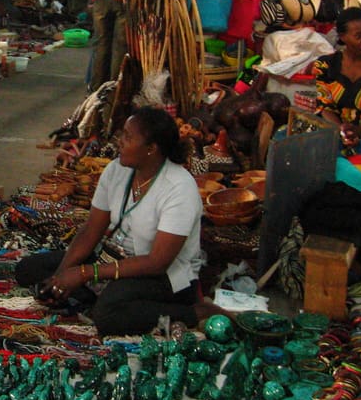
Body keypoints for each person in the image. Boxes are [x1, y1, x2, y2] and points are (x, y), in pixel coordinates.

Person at [16, 108, 222, 336]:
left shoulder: (179, 188)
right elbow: (91, 230)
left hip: (162, 276)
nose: (119, 142)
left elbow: (157, 262)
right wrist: (61, 278)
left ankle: (196, 312)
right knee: (29, 269)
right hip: (113, 259)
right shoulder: (117, 170)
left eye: (128, 137)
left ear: (151, 149)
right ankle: (100, 298)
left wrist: (85, 273)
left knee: (108, 316)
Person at [314, 6, 361, 156]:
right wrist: (342, 131)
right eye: (359, 36)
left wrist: (359, 132)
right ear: (342, 37)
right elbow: (325, 107)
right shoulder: (326, 65)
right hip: (338, 133)